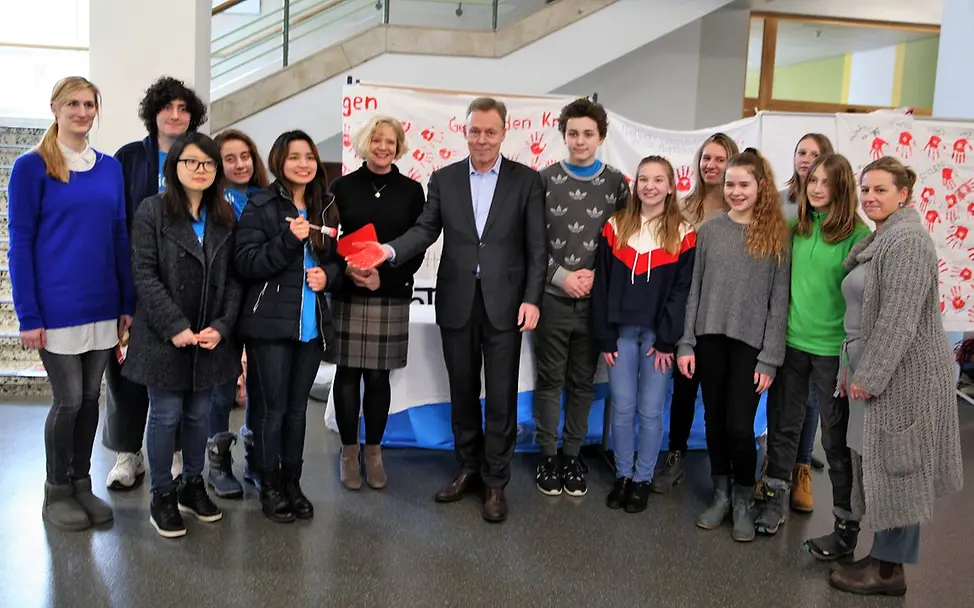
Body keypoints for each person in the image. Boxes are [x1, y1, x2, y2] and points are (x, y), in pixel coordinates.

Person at [345, 97, 546, 523]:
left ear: (504, 132)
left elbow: (537, 247)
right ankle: (469, 468)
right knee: (462, 392)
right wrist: (389, 250)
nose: (482, 139)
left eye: (491, 131)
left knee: (502, 396)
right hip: (456, 301)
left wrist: (531, 298)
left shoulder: (527, 181)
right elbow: (424, 230)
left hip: (506, 305)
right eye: (475, 131)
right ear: (466, 131)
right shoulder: (445, 179)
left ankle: (495, 481)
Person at [826, 158, 963, 596]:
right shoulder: (880, 238)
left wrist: (871, 374)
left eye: (880, 190)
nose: (869, 197)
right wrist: (854, 368)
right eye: (865, 189)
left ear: (904, 193)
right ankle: (882, 555)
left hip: (907, 377)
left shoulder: (907, 241)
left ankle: (889, 574)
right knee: (881, 463)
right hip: (879, 369)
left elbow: (899, 320)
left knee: (901, 466)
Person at [8, 76, 135, 530]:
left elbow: (119, 237)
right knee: (67, 402)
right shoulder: (31, 166)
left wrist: (126, 299)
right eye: (74, 104)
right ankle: (55, 490)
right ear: (55, 108)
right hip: (56, 306)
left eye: (89, 104)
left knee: (90, 397)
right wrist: (29, 313)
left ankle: (81, 483)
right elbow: (19, 243)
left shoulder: (108, 168)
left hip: (103, 304)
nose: (83, 112)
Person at [123, 133, 242, 538]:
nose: (200, 169)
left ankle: (193, 485)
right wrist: (176, 327)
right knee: (166, 414)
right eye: (191, 162)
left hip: (209, 338)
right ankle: (162, 494)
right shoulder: (152, 211)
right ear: (174, 166)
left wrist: (222, 327)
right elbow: (144, 274)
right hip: (164, 336)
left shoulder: (225, 214)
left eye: (208, 163)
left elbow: (234, 281)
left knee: (199, 416)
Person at [677, 148, 790, 543]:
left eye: (744, 184)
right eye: (730, 184)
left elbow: (779, 302)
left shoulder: (777, 236)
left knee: (740, 427)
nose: (736, 191)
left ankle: (744, 498)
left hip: (751, 346)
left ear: (761, 187)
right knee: (712, 421)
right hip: (709, 338)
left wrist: (771, 358)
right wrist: (687, 343)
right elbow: (695, 291)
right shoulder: (709, 231)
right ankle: (721, 494)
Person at [754, 154, 871, 537]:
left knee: (835, 439)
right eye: (813, 181)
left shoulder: (858, 236)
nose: (818, 188)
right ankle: (774, 499)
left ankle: (845, 521)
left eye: (827, 182)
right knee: (783, 427)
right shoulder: (795, 228)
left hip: (832, 352)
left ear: (842, 188)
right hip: (790, 345)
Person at [104, 76, 208, 491]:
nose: (176, 116)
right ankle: (128, 454)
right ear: (154, 114)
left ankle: (178, 451)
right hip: (134, 281)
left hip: (187, 286)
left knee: (180, 372)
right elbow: (113, 221)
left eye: (184, 109)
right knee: (125, 370)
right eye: (169, 108)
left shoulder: (203, 155)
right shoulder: (128, 159)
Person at [234, 130, 341, 524]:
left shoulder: (326, 205)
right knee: (271, 410)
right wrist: (286, 240)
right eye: (294, 157)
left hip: (311, 326)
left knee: (298, 411)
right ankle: (270, 484)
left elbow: (337, 260)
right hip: (269, 326)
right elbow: (246, 262)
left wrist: (327, 276)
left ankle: (293, 482)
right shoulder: (260, 203)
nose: (304, 164)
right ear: (279, 161)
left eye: (309, 157)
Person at [533, 98, 629, 497]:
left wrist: (595, 281)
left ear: (601, 137)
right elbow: (532, 242)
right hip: (552, 298)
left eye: (588, 134)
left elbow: (625, 243)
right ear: (564, 135)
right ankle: (549, 456)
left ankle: (573, 455)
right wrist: (561, 276)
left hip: (596, 301)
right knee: (550, 379)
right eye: (573, 133)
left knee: (583, 382)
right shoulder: (544, 180)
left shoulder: (617, 185)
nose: (580, 140)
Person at [326, 115, 425, 491]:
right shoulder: (341, 187)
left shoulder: (412, 190)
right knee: (347, 374)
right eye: (377, 140)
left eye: (390, 141)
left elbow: (418, 243)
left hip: (391, 290)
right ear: (365, 143)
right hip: (350, 291)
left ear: (399, 146)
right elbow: (329, 238)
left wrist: (386, 276)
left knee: (379, 376)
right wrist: (346, 271)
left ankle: (374, 453)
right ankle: (348, 453)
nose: (383, 147)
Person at [592, 156, 694, 513]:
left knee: (651, 411)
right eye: (643, 179)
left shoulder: (683, 233)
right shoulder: (615, 225)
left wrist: (668, 339)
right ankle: (623, 474)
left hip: (658, 339)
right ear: (635, 185)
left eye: (658, 179)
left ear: (670, 186)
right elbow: (602, 284)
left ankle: (642, 479)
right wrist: (604, 335)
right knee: (622, 407)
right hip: (619, 332)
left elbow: (682, 291)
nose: (650, 186)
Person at [652, 133, 739, 493]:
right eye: (707, 158)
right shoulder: (684, 207)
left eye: (720, 159)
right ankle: (675, 456)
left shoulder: (740, 209)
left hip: (722, 318)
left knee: (719, 397)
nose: (712, 165)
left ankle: (725, 470)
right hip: (685, 313)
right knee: (683, 392)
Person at [763, 132, 834, 510]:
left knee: (808, 402)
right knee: (782, 399)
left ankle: (802, 466)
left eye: (815, 154)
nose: (806, 159)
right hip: (782, 313)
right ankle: (776, 464)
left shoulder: (834, 211)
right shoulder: (779, 201)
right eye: (801, 152)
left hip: (816, 323)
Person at [204, 129, 269, 499]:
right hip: (221, 307)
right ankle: (219, 464)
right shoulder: (210, 202)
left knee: (261, 386)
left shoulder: (269, 197)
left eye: (245, 156)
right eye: (230, 158)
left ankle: (256, 460)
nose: (240, 164)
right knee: (221, 389)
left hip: (262, 305)